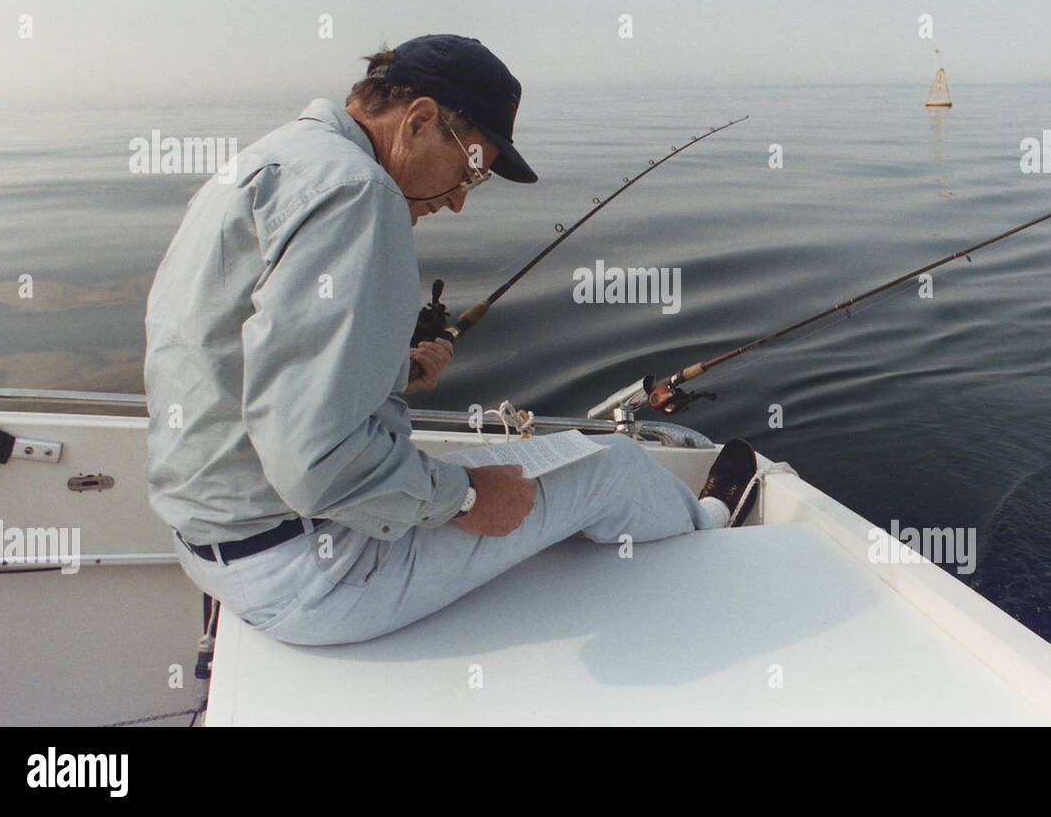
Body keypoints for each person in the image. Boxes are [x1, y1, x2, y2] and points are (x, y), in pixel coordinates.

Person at [144, 34, 758, 646]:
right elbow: (314, 465)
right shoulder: (360, 191)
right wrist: (465, 500)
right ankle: (710, 529)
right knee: (612, 466)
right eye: (472, 167)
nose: (461, 200)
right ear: (418, 120)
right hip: (309, 573)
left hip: (218, 546)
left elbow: (245, 360)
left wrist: (385, 369)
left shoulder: (274, 158)